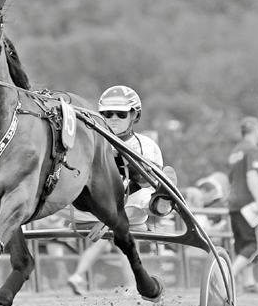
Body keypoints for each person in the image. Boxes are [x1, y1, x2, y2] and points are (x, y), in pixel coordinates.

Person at [67, 85, 177, 295]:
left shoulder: (145, 145)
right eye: (107, 114)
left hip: (128, 211)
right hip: (88, 209)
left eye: (121, 113)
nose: (113, 118)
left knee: (144, 195)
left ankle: (162, 200)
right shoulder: (88, 142)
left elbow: (141, 185)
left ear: (134, 115)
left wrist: (108, 218)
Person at [228, 116, 258, 293]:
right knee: (255, 245)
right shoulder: (253, 149)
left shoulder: (235, 151)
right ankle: (226, 279)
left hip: (234, 205)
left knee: (243, 245)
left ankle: (248, 283)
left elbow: (233, 178)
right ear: (254, 130)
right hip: (249, 205)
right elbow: (252, 175)